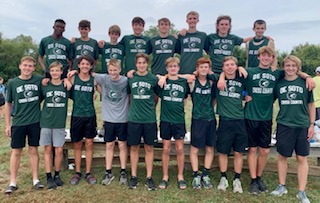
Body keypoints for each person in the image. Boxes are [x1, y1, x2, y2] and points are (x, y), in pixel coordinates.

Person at [270, 55, 315, 203]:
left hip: (302, 124)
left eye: (293, 66)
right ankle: (282, 185)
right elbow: (270, 100)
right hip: (284, 123)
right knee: (282, 156)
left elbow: (311, 105)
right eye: (287, 65)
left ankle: (301, 191)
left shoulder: (305, 82)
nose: (290, 68)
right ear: (283, 67)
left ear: (298, 67)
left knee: (302, 158)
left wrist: (311, 124)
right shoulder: (279, 83)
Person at [4, 56, 45, 194]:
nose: (27, 68)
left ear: (34, 68)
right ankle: (13, 182)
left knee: (33, 150)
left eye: (30, 66)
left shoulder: (38, 80)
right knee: (16, 151)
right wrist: (8, 124)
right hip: (18, 122)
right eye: (25, 65)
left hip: (34, 121)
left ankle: (35, 179)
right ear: (20, 66)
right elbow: (8, 104)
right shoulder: (12, 83)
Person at [93, 59, 129, 185]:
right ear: (107, 70)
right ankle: (108, 171)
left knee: (122, 145)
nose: (113, 72)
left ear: (120, 69)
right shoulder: (104, 78)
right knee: (109, 145)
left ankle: (123, 171)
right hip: (108, 119)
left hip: (123, 118)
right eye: (111, 70)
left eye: (115, 70)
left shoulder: (125, 80)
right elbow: (89, 74)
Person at [127, 53, 158, 190]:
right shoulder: (131, 78)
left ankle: (149, 177)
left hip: (149, 119)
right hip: (134, 119)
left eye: (144, 63)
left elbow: (157, 96)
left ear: (147, 64)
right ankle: (133, 176)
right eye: (139, 63)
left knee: (149, 148)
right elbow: (128, 95)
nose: (141, 65)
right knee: (134, 148)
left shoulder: (153, 78)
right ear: (136, 64)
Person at [158, 57, 189, 190]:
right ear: (167, 68)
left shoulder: (183, 82)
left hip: (179, 120)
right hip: (165, 119)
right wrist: (163, 77)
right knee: (165, 149)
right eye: (170, 66)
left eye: (175, 66)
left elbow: (187, 94)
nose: (173, 68)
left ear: (178, 67)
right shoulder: (161, 82)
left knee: (180, 149)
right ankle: (165, 176)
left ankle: (180, 176)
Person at [39, 62, 69, 189]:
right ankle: (48, 176)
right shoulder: (45, 85)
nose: (55, 73)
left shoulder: (66, 86)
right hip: (46, 122)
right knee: (47, 149)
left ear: (61, 72)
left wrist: (68, 79)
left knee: (59, 150)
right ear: (49, 72)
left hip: (59, 123)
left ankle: (57, 174)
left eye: (57, 70)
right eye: (52, 71)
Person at [69, 55, 98, 185]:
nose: (85, 66)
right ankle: (77, 172)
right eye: (83, 64)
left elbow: (102, 91)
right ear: (79, 65)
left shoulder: (94, 80)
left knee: (90, 143)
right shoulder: (73, 78)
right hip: (77, 115)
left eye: (88, 64)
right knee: (77, 144)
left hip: (90, 115)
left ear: (91, 66)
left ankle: (88, 172)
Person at [189, 57, 216, 189]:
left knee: (210, 148)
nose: (204, 69)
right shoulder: (193, 82)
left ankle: (205, 174)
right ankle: (195, 175)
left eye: (206, 67)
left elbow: (214, 99)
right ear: (197, 69)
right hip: (197, 119)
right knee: (195, 148)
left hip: (210, 118)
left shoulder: (211, 82)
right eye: (201, 67)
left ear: (209, 69)